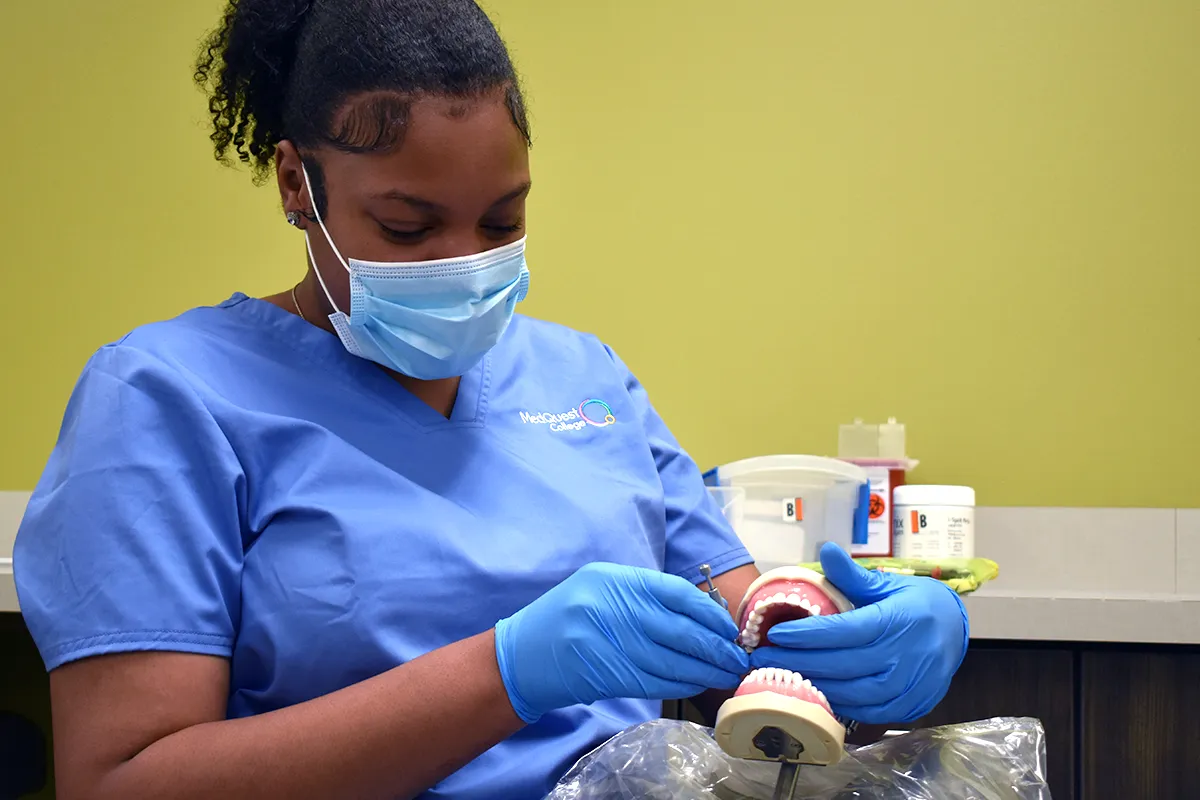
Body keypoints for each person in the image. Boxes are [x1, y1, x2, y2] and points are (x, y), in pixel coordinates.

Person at [12, 1, 969, 798]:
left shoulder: (584, 376)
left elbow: (747, 624)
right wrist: (506, 673)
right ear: (298, 184)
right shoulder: (167, 397)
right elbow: (121, 781)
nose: (464, 263)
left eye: (502, 221)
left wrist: (852, 636)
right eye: (408, 226)